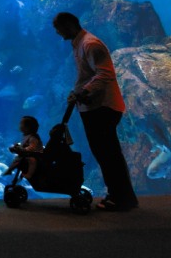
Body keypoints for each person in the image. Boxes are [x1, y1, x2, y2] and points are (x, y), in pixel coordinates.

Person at [52, 11, 139, 211]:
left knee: (109, 155)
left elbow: (105, 74)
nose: (57, 33)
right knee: (105, 154)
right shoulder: (80, 44)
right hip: (93, 106)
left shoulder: (91, 44)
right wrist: (78, 92)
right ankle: (120, 195)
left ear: (69, 26)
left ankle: (122, 198)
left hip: (103, 107)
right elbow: (87, 75)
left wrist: (83, 91)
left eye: (58, 28)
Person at [2, 115, 43, 181]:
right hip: (27, 154)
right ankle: (10, 170)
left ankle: (29, 174)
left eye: (21, 123)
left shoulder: (33, 137)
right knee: (17, 158)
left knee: (32, 160)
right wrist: (16, 147)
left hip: (36, 155)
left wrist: (25, 149)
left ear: (28, 127)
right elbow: (23, 144)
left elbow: (32, 147)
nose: (19, 125)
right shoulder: (25, 135)